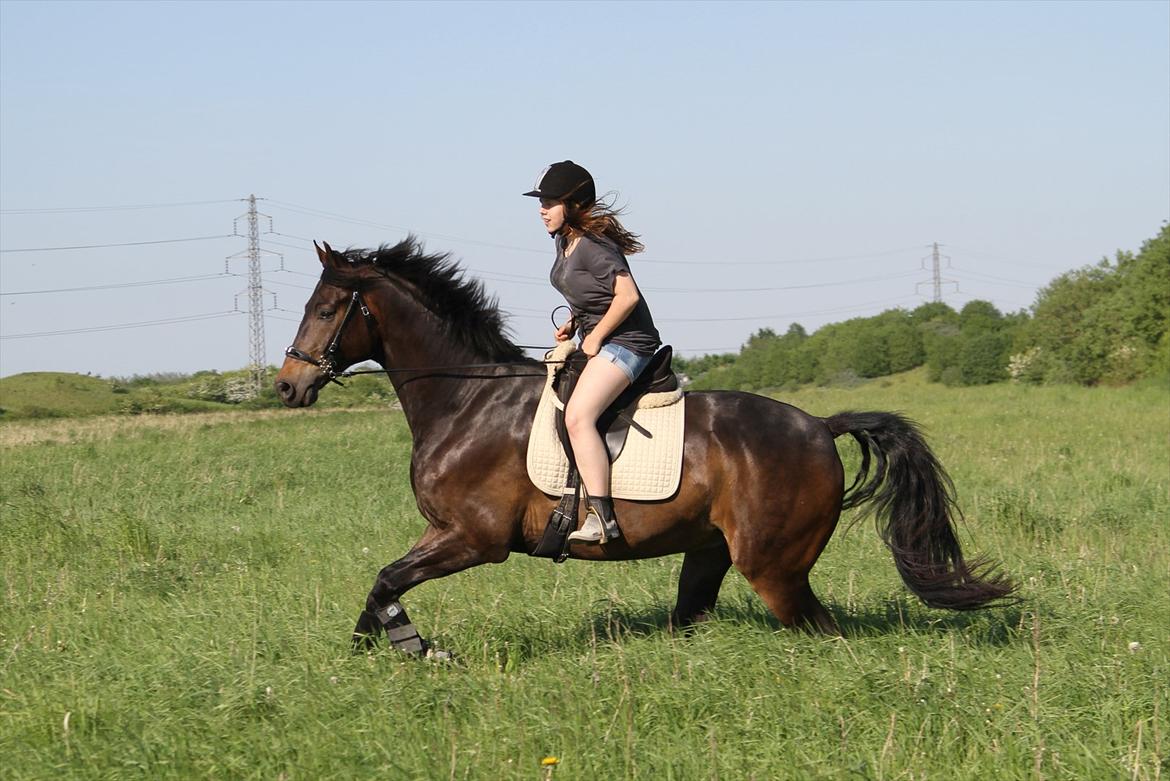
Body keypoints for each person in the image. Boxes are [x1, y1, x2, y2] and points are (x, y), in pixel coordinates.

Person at [523, 161, 662, 545]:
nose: (541, 209)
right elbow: (593, 294)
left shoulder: (594, 245)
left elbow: (628, 296)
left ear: (573, 204)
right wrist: (573, 321)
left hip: (630, 344)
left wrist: (596, 336)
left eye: (549, 202)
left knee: (579, 418)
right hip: (604, 338)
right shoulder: (564, 242)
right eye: (541, 202)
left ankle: (603, 519)